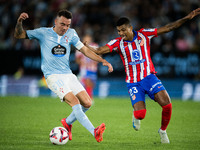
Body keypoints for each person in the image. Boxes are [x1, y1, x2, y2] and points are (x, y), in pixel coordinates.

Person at [85, 8, 200, 143]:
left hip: (149, 77)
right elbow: (99, 50)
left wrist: (187, 18)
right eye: (118, 31)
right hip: (133, 82)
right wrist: (84, 46)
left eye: (123, 30)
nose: (121, 33)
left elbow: (169, 27)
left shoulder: (144, 34)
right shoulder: (117, 43)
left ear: (130, 28)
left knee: (167, 104)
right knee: (141, 115)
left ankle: (162, 130)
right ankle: (136, 115)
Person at [14, 9, 113, 143]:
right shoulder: (43, 32)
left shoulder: (71, 33)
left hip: (68, 75)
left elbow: (84, 50)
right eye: (62, 24)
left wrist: (102, 61)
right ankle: (94, 131)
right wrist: (20, 22)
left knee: (87, 103)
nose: (65, 28)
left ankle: (67, 122)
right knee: (75, 102)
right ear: (56, 22)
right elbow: (19, 35)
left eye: (68, 25)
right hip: (53, 77)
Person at [75, 34, 99, 100]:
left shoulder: (95, 46)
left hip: (93, 69)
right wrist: (83, 63)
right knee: (87, 82)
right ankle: (88, 98)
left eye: (88, 39)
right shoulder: (80, 47)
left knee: (91, 84)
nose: (87, 40)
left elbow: (99, 55)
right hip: (84, 69)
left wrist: (96, 61)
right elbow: (77, 59)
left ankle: (88, 97)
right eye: (86, 39)